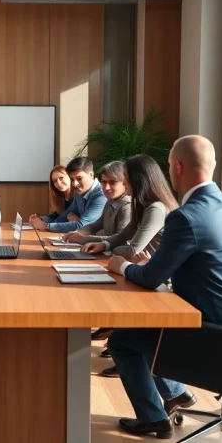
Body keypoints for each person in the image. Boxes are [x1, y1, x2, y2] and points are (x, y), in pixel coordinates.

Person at [103, 135, 222, 438]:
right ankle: (174, 395)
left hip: (207, 327)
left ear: (177, 167)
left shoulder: (186, 216)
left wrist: (122, 266)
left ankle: (154, 419)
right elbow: (205, 260)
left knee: (122, 340)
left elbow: (151, 279)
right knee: (139, 330)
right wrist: (153, 264)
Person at [81, 154, 179, 376]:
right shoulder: (142, 205)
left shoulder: (156, 208)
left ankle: (131, 355)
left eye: (125, 177)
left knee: (105, 293)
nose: (124, 182)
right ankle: (126, 348)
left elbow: (132, 249)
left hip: (157, 280)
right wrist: (105, 245)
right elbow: (121, 239)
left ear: (139, 179)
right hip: (141, 270)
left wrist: (111, 250)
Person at [29, 156, 106, 233]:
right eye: (72, 179)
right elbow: (65, 216)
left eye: (79, 178)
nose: (75, 184)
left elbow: (81, 225)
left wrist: (46, 226)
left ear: (91, 175)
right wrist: (43, 224)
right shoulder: (80, 193)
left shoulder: (101, 195)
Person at [62, 161, 131, 245]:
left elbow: (120, 240)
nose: (106, 188)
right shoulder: (110, 202)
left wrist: (84, 239)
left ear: (125, 183)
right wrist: (78, 232)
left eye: (113, 182)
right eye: (104, 182)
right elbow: (96, 225)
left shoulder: (128, 206)